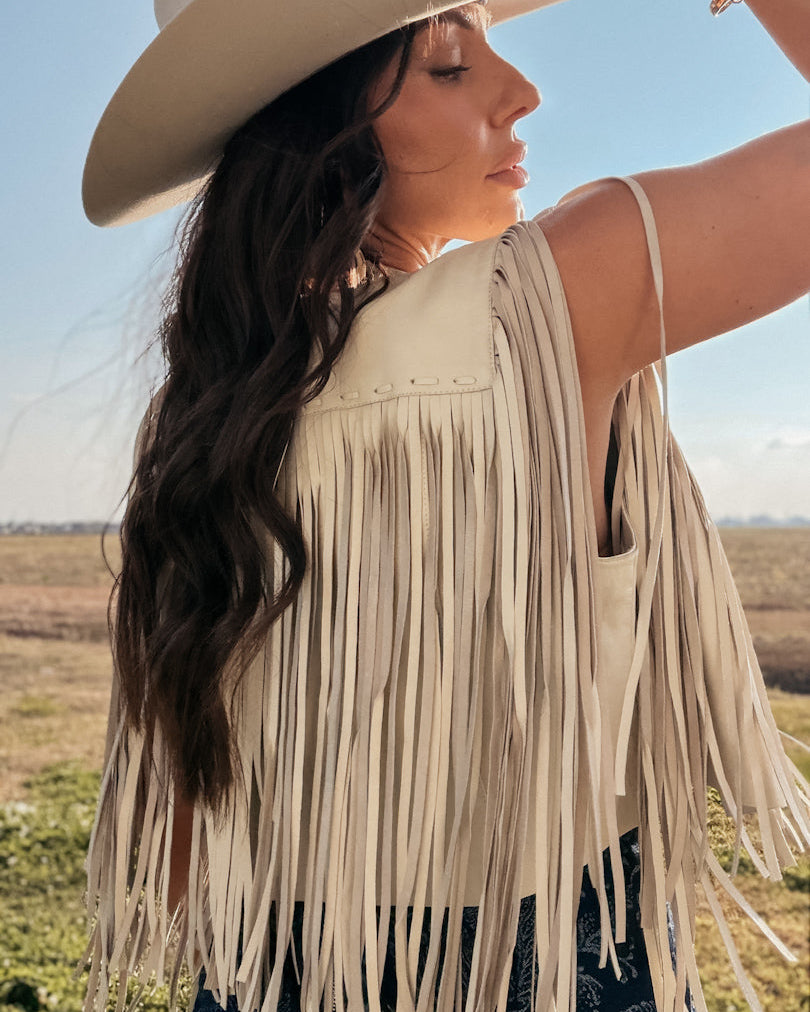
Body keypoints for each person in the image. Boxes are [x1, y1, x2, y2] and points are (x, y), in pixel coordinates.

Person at [80, 1, 810, 1011]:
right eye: (452, 69)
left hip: (259, 961)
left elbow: (181, 846)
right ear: (326, 130)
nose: (525, 92)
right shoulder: (548, 293)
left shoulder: (205, 407)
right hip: (544, 961)